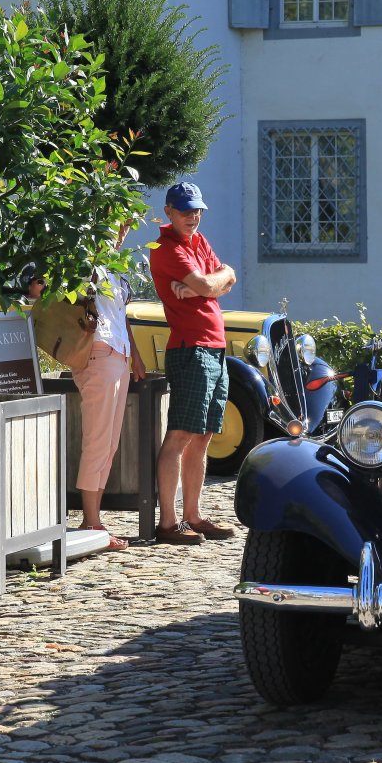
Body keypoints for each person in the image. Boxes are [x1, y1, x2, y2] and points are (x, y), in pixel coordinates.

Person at [148, 182, 238, 546]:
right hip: (191, 350)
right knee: (181, 434)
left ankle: (194, 515)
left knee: (203, 435)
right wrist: (208, 284)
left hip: (214, 348)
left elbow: (227, 277)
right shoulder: (167, 248)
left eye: (197, 210)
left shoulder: (198, 241)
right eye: (186, 211)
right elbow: (213, 283)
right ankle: (168, 523)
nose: (193, 217)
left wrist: (208, 284)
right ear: (169, 212)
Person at [71, 224, 148, 550]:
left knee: (110, 444)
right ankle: (91, 521)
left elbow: (120, 315)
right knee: (99, 441)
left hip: (118, 354)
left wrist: (136, 355)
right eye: (118, 223)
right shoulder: (85, 258)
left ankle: (94, 520)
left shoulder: (114, 263)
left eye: (126, 225)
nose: (123, 230)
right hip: (99, 353)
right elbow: (51, 292)